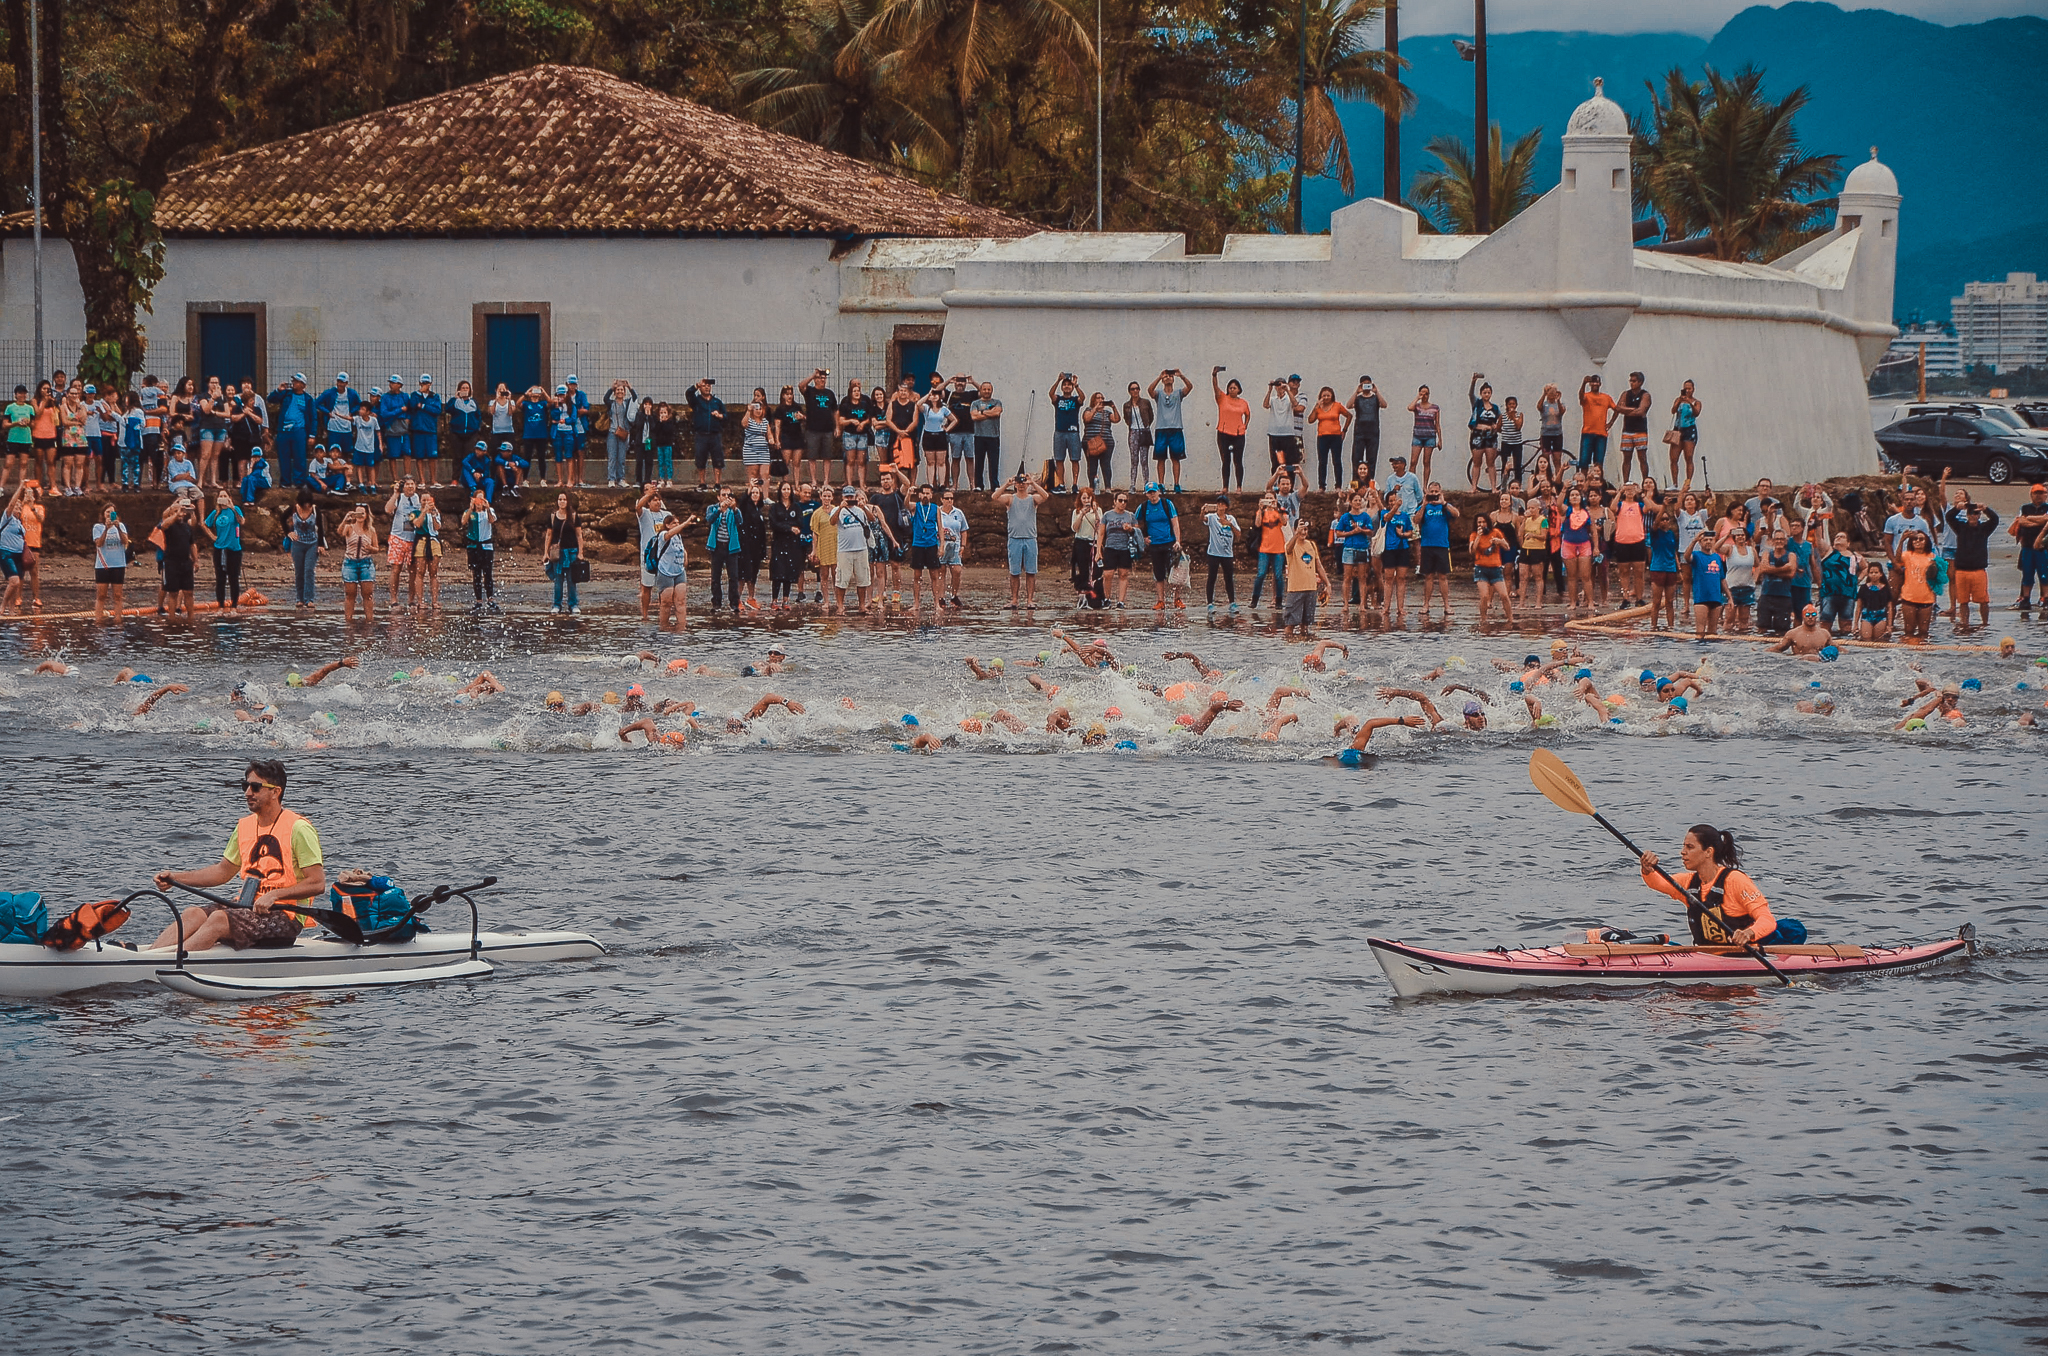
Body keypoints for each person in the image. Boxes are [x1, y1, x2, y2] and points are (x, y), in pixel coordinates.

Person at [150, 760, 326, 953]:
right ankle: (148, 957)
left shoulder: (299, 829)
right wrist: (176, 878)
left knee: (218, 918)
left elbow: (317, 883)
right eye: (246, 786)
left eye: (256, 787)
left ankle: (173, 962)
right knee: (193, 913)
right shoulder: (244, 827)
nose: (247, 793)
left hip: (287, 916)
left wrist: (274, 895)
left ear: (275, 792)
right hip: (247, 907)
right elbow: (221, 872)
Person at [1636, 826, 1787, 947]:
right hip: (1705, 954)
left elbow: (1767, 919)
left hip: (1742, 955)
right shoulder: (1688, 882)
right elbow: (1658, 883)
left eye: (1690, 847)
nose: (1682, 852)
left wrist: (1748, 933)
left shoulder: (1735, 880)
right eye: (1683, 846)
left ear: (1708, 852)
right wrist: (1647, 869)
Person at [995, 469, 1048, 608]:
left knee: (1031, 572)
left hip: (1030, 538)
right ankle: (1014, 600)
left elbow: (1045, 496)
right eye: (1019, 483)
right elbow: (995, 496)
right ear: (1016, 484)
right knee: (1014, 572)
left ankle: (1030, 600)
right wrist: (1007, 484)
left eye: (1023, 482)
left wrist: (1033, 483)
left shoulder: (1032, 499)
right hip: (1014, 539)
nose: (1022, 485)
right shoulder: (1010, 498)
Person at [1945, 495, 1998, 632]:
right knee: (1963, 601)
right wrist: (1957, 508)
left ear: (1979, 515)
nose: (1973, 516)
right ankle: (1965, 623)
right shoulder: (1960, 527)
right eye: (1971, 513)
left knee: (1983, 600)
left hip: (1978, 570)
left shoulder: (1985, 529)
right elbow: (1949, 517)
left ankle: (1985, 623)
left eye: (1976, 513)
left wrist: (1986, 509)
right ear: (1967, 515)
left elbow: (1995, 519)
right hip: (1962, 570)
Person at [1415, 482, 1460, 621]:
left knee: (1442, 576)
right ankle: (1426, 604)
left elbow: (1456, 514)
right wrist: (1423, 504)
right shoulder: (1424, 506)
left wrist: (1443, 502)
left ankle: (1446, 605)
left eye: (1436, 491)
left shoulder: (1445, 506)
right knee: (1428, 576)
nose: (1434, 494)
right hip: (1427, 545)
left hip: (1442, 546)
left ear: (1440, 492)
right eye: (1431, 491)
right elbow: (1416, 520)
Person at [1137, 482, 1183, 611]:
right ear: (1146, 494)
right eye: (1149, 493)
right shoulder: (1143, 507)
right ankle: (1160, 601)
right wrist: (1143, 538)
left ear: (1159, 492)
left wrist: (1178, 541)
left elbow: (1175, 523)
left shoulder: (1167, 504)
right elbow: (1135, 523)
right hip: (1154, 544)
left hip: (1169, 542)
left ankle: (1177, 599)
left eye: (1154, 492)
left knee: (1175, 572)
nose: (1152, 495)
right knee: (1159, 574)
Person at [1280, 517, 1327, 642]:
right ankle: (1288, 645)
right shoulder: (1290, 545)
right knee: (1290, 624)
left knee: (1305, 625)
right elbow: (1288, 549)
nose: (1303, 532)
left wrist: (1327, 583)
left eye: (1305, 529)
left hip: (1311, 589)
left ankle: (1305, 644)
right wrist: (1295, 535)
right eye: (1301, 529)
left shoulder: (1311, 545)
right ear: (1295, 530)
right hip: (1295, 589)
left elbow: (1318, 565)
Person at [200, 489, 245, 611]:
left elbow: (241, 521)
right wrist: (213, 536)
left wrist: (232, 507)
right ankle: (220, 605)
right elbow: (204, 524)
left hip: (233, 549)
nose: (223, 498)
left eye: (225, 495)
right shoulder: (216, 513)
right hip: (220, 548)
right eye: (221, 496)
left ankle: (234, 606)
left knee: (233, 578)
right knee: (220, 578)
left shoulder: (235, 510)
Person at [834, 486, 875, 614]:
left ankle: (862, 605)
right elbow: (832, 521)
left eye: (851, 497)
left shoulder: (860, 510)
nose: (849, 499)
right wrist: (841, 507)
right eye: (847, 497)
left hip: (861, 548)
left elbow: (872, 519)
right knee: (842, 580)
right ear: (843, 497)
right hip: (844, 550)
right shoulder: (838, 510)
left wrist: (864, 507)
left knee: (862, 579)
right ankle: (840, 606)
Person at [336, 502, 379, 624]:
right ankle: (348, 621)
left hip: (366, 563)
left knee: (368, 594)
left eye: (362, 513)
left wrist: (370, 548)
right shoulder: (349, 527)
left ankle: (369, 620)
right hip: (350, 563)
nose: (360, 516)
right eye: (357, 513)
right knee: (350, 594)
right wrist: (346, 519)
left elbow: (377, 548)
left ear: (366, 515)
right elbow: (340, 532)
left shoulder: (371, 530)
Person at [1147, 369, 1190, 488]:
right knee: (1160, 458)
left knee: (1176, 458)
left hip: (1176, 429)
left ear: (1173, 379)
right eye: (1165, 377)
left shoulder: (1178, 393)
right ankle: (1161, 483)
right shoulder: (1159, 394)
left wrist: (1181, 375)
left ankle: (1176, 483)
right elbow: (1150, 391)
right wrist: (1159, 376)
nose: (1167, 378)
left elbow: (1189, 387)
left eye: (1170, 376)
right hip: (1161, 429)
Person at [1469, 512, 1513, 625]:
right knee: (1484, 596)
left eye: (1484, 522)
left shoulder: (1495, 532)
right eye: (1479, 522)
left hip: (1495, 569)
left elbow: (1507, 547)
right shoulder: (1474, 534)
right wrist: (1479, 536)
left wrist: (1499, 541)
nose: (1482, 524)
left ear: (1488, 522)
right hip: (1481, 569)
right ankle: (1483, 620)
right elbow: (1472, 551)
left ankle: (1510, 619)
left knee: (1504, 595)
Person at [2009, 482, 2048, 609]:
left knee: (2044, 574)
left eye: (2041, 493)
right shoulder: (2025, 507)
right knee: (2027, 573)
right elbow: (2021, 521)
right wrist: (2038, 521)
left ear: (2045, 495)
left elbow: (2045, 520)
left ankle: (2045, 598)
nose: (2038, 496)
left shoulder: (2046, 507)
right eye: (2036, 493)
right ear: (2031, 495)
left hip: (2043, 547)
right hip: (2027, 546)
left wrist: (2031, 519)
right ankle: (2025, 599)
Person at [1098, 490, 1139, 609]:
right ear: (1114, 502)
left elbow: (1137, 532)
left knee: (1123, 574)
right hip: (1110, 547)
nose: (1123, 503)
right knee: (1108, 574)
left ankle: (1121, 601)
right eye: (1120, 500)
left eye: (1125, 501)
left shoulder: (1130, 516)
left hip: (1125, 548)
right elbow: (1101, 533)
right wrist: (1098, 551)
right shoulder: (1107, 515)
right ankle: (1106, 598)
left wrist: (1130, 529)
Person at [461, 489, 499, 613]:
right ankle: (478, 600)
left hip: (486, 546)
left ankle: (490, 598)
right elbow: (463, 521)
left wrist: (487, 508)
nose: (479, 502)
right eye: (477, 499)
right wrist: (471, 508)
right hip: (473, 546)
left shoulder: (490, 511)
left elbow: (492, 520)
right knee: (476, 573)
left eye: (481, 500)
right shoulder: (469, 512)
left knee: (488, 573)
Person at [544, 493, 582, 614]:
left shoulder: (574, 517)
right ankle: (557, 604)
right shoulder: (552, 517)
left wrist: (581, 552)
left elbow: (579, 535)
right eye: (560, 499)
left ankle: (573, 604)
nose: (562, 502)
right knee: (558, 580)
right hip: (557, 553)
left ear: (568, 501)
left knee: (572, 580)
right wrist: (546, 552)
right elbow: (549, 535)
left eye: (564, 499)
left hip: (571, 552)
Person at [1212, 368, 1250, 489]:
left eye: (1235, 387)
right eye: (1230, 387)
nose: (1232, 389)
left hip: (1238, 434)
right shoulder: (1222, 398)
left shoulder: (1243, 402)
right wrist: (1214, 375)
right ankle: (1225, 487)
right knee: (1226, 460)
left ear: (1239, 390)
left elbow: (1248, 414)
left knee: (1238, 461)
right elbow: (1215, 387)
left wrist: (1245, 425)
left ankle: (1239, 487)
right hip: (1224, 433)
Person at [1202, 496, 1240, 612]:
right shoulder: (1212, 517)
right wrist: (1202, 512)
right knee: (1212, 577)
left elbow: (1238, 534)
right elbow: (1203, 519)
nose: (1220, 506)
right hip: (1213, 552)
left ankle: (1232, 602)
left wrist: (1229, 524)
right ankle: (1209, 603)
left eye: (1223, 504)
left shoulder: (1231, 519)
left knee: (1228, 578)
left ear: (1226, 506)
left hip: (1227, 553)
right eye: (1218, 503)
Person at [686, 377, 725, 489]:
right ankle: (702, 483)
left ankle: (717, 483)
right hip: (701, 434)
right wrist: (696, 386)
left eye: (709, 385)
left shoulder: (717, 402)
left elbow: (726, 416)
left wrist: (720, 415)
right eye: (705, 385)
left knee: (718, 459)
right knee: (700, 459)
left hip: (715, 434)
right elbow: (688, 393)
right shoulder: (696, 401)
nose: (707, 387)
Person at [1312, 385, 1352, 492]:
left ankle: (1338, 486)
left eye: (1328, 395)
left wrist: (1344, 430)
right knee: (1322, 462)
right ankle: (1321, 486)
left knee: (1337, 461)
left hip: (1335, 436)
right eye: (1323, 395)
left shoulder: (1337, 406)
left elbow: (1349, 416)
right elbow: (1311, 420)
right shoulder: (1319, 407)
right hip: (1322, 437)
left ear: (1332, 396)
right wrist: (1316, 407)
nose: (1326, 397)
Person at [1048, 374, 1084, 492]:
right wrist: (1058, 380)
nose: (1067, 387)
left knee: (1075, 459)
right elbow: (1051, 394)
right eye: (1065, 385)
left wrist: (1076, 385)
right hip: (1059, 432)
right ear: (1062, 387)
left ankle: (1074, 485)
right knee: (1059, 459)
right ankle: (1061, 484)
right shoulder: (1058, 399)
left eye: (1069, 385)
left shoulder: (1075, 400)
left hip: (1073, 433)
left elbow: (1082, 398)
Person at [1349, 375, 1386, 484]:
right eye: (1364, 384)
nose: (1366, 386)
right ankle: (1355, 484)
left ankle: (1370, 484)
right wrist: (1356, 392)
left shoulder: (1375, 398)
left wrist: (1377, 392)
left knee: (1372, 459)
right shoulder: (1358, 398)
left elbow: (1384, 405)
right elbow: (1349, 405)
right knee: (1356, 459)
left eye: (1368, 383)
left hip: (1373, 433)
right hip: (1359, 432)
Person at [1576, 374, 1616, 473]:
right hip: (1587, 432)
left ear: (1600, 384)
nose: (1594, 384)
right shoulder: (1587, 396)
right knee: (1584, 461)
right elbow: (1581, 397)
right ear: (1590, 384)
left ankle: (1597, 483)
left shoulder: (1606, 397)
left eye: (1596, 382)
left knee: (1599, 463)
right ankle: (1584, 482)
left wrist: (1610, 423)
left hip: (1601, 434)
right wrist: (1583, 383)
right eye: (1592, 382)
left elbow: (1617, 409)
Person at [1466, 375, 1499, 492]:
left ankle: (1494, 487)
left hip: (1491, 436)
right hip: (1478, 435)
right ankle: (1474, 486)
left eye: (1488, 392)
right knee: (1477, 462)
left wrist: (1496, 427)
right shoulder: (1477, 404)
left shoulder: (1495, 408)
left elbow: (1499, 421)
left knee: (1490, 462)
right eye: (1484, 392)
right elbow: (1470, 394)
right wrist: (1473, 381)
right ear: (1481, 394)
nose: (1486, 394)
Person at [1069, 487, 1102, 607]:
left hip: (1093, 542)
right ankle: (1082, 596)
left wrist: (1095, 511)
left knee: (1095, 571)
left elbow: (1100, 526)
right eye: (1084, 498)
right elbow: (1075, 528)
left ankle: (1095, 597)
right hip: (1081, 542)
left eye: (1088, 497)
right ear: (1080, 499)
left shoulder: (1097, 510)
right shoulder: (1076, 511)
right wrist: (1082, 514)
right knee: (1082, 570)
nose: (1086, 500)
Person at [1768, 603, 1836, 657]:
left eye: (1813, 614)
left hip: (1818, 665)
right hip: (1800, 664)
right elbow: (1778, 648)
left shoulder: (1824, 634)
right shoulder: (1793, 634)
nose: (1810, 617)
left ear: (1816, 616)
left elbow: (1837, 648)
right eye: (1807, 615)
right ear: (1803, 616)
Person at [969, 382, 1003, 491]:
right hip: (979, 436)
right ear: (981, 390)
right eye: (984, 389)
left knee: (993, 462)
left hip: (993, 437)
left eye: (989, 389)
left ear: (991, 390)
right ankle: (979, 485)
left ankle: (995, 485)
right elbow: (974, 416)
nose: (987, 391)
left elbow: (997, 413)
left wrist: (981, 412)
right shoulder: (975, 403)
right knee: (979, 462)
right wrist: (989, 413)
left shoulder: (997, 402)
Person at [1406, 385, 1439, 486]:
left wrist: (1440, 439)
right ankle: (1411, 484)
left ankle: (1425, 485)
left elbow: (1437, 424)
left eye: (1426, 393)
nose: (1425, 395)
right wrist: (1417, 398)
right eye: (1422, 393)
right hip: (1417, 436)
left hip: (1430, 436)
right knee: (1413, 461)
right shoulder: (1417, 406)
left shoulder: (1435, 408)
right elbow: (1409, 408)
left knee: (1426, 461)